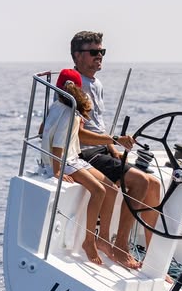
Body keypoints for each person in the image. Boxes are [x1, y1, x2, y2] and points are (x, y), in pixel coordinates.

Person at [70, 31, 161, 269]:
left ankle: (154, 258)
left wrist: (113, 148)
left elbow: (98, 124)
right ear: (77, 56)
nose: (99, 56)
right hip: (86, 152)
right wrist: (114, 139)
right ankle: (120, 246)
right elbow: (76, 132)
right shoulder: (74, 85)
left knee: (154, 184)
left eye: (102, 52)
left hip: (102, 149)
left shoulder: (96, 84)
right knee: (140, 181)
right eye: (94, 52)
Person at [41, 69, 114, 266]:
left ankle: (103, 240)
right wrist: (57, 171)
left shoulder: (55, 107)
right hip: (64, 161)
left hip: (70, 158)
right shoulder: (69, 112)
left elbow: (42, 132)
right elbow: (58, 144)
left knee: (111, 187)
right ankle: (89, 242)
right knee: (99, 191)